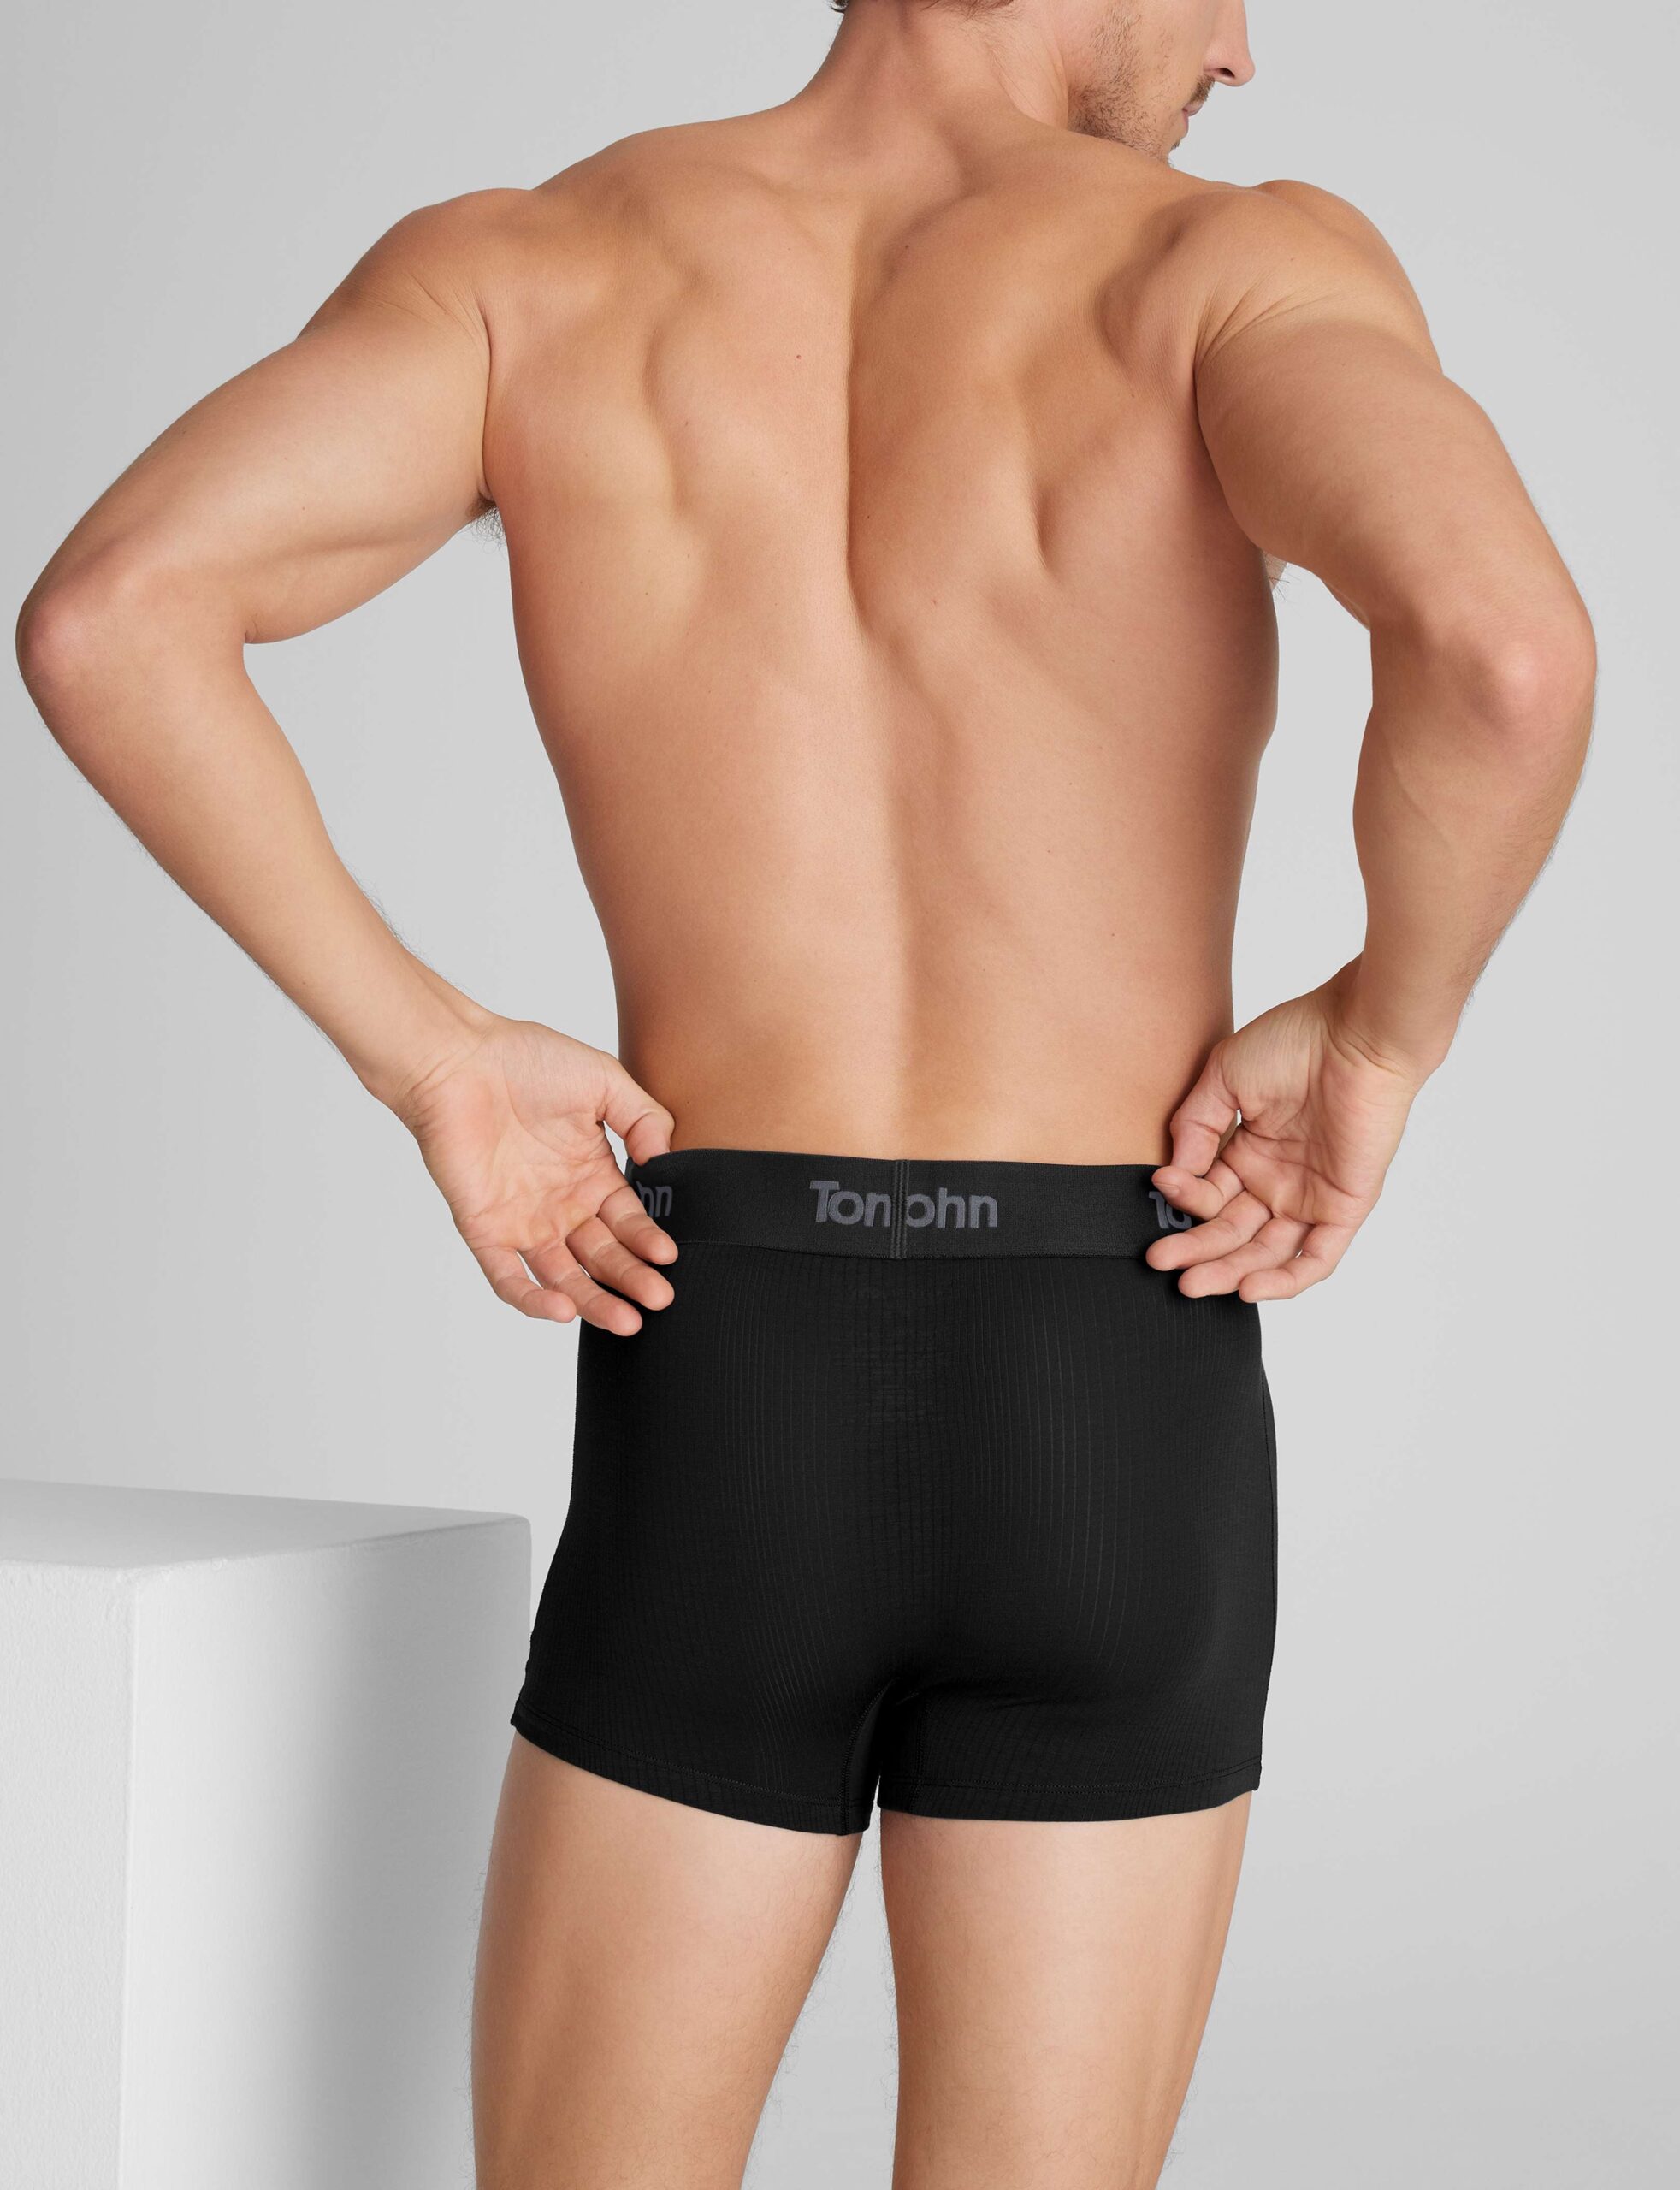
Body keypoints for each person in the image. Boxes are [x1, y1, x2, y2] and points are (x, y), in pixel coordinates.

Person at [15, 0, 1594, 2181]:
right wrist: (1384, 1030)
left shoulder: (530, 269)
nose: (1239, 50)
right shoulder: (1225, 268)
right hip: (1113, 1376)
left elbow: (111, 613)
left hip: (721, 1358)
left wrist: (437, 1057)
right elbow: (1504, 650)